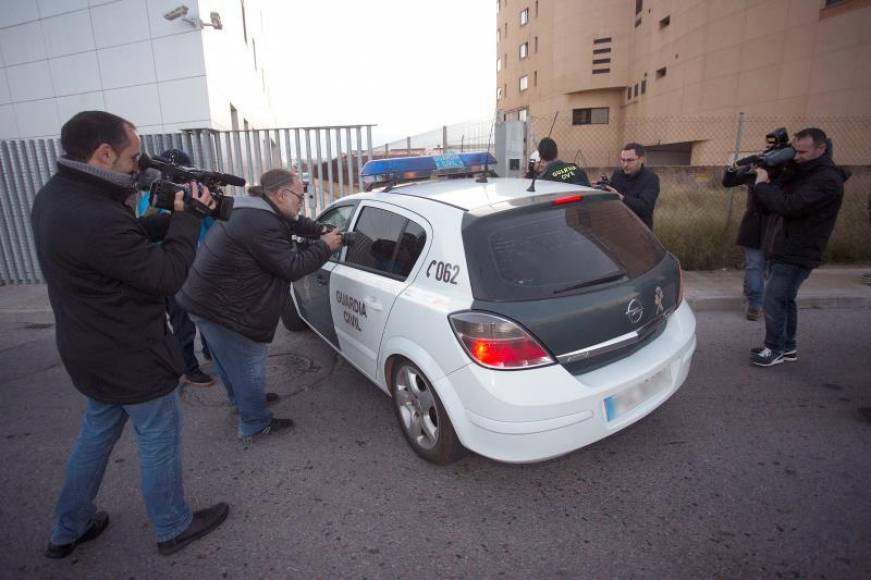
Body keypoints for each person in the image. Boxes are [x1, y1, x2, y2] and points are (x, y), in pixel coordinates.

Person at [30, 111, 229, 558]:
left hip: (89, 350)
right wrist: (188, 219)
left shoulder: (57, 196)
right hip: (130, 354)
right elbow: (163, 276)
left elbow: (120, 249)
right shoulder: (94, 213)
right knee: (158, 436)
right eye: (133, 156)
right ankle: (172, 526)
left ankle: (69, 528)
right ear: (103, 153)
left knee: (95, 436)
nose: (140, 166)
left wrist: (165, 214)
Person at [176, 169, 342, 442]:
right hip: (224, 309)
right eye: (300, 195)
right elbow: (292, 266)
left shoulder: (255, 206)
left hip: (204, 300)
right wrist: (325, 246)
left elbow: (294, 223)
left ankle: (241, 401)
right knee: (248, 365)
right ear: (280, 194)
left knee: (227, 361)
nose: (303, 200)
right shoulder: (260, 222)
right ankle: (254, 423)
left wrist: (320, 229)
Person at [749, 128, 848, 367]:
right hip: (786, 245)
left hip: (799, 249)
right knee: (785, 299)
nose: (797, 156)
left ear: (821, 149)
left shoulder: (827, 179)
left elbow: (789, 205)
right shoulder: (804, 171)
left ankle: (774, 348)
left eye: (803, 151)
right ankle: (787, 346)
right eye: (795, 150)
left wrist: (762, 185)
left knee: (774, 299)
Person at [722, 159, 778, 321]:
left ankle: (755, 303)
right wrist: (735, 167)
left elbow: (728, 182)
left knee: (756, 266)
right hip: (758, 225)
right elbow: (729, 181)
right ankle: (755, 302)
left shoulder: (783, 173)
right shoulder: (755, 171)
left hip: (771, 225)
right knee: (757, 265)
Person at [604, 143, 660, 229]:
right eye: (623, 160)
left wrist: (621, 198)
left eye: (630, 160)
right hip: (617, 227)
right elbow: (611, 194)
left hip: (640, 229)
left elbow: (645, 207)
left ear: (641, 159)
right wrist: (602, 186)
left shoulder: (651, 179)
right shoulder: (617, 174)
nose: (625, 165)